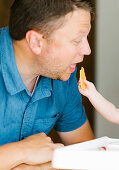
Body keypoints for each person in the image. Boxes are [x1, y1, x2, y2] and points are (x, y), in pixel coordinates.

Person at [0, 0, 95, 169]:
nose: (87, 50)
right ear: (36, 42)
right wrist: (23, 151)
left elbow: (86, 154)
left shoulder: (63, 72)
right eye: (76, 40)